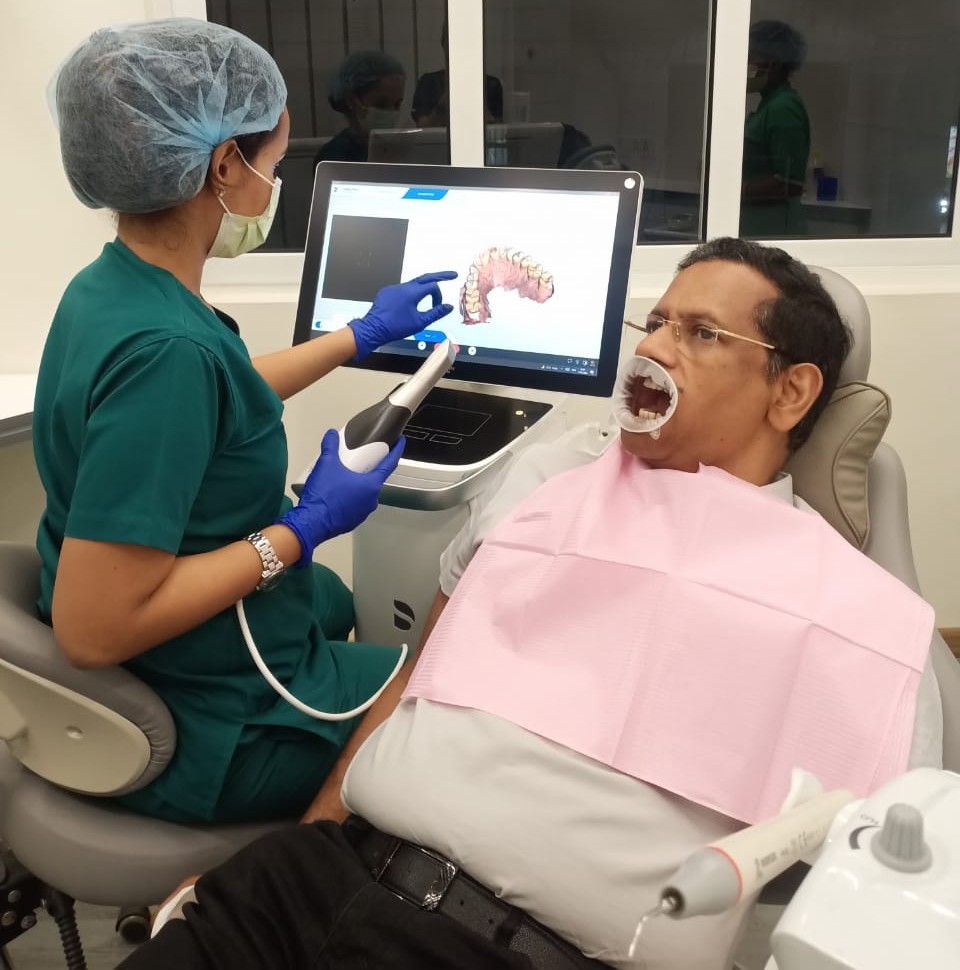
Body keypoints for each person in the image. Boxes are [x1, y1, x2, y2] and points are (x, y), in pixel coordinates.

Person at [117, 239, 942, 970]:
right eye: (655, 322)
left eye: (700, 334)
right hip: (317, 884)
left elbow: (884, 897)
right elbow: (417, 683)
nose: (653, 347)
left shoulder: (850, 617)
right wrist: (308, 838)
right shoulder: (546, 483)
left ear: (791, 392)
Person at [35, 18, 457, 826]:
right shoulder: (167, 352)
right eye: (273, 164)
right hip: (199, 728)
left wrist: (361, 334)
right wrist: (299, 530)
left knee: (330, 599)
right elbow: (94, 632)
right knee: (426, 694)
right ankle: (307, 867)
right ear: (225, 165)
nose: (273, 184)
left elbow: (215, 393)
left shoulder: (112, 289)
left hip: (160, 658)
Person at [740, 20, 811, 237]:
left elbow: (789, 183)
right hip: (757, 226)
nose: (746, 64)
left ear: (776, 62)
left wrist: (733, 191)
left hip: (774, 229)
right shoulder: (769, 105)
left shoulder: (784, 107)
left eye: (752, 57)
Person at [315, 50, 406, 164]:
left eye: (397, 104)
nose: (391, 112)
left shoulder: (400, 149)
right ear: (351, 100)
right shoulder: (333, 156)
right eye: (381, 104)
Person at [411, 18, 504, 128]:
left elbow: (496, 130)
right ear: (444, 44)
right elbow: (423, 128)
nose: (460, 49)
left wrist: (477, 102)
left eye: (466, 43)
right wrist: (442, 106)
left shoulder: (491, 85)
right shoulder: (428, 82)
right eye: (454, 42)